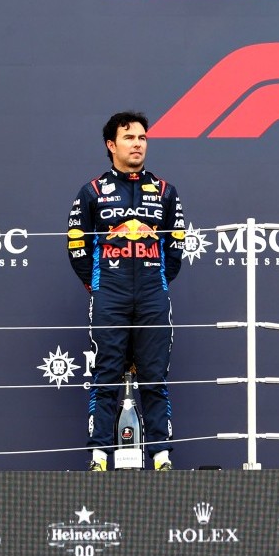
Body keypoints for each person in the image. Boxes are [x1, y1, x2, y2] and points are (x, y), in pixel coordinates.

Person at [67, 111, 186, 471]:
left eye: (142, 138)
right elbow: (76, 247)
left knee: (154, 376)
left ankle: (162, 458)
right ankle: (99, 457)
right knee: (105, 376)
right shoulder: (91, 191)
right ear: (111, 145)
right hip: (110, 296)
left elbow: (176, 248)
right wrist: (100, 286)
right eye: (129, 137)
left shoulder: (165, 191)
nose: (138, 143)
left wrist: (157, 281)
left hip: (152, 294)